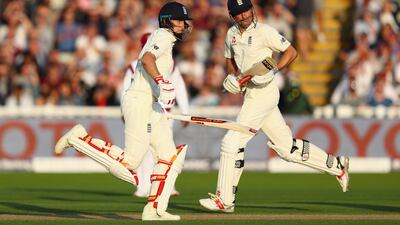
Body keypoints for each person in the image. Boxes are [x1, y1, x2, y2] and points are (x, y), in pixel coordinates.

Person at [199, 0, 350, 213]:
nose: (244, 16)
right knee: (287, 148)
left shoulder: (265, 32)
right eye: (239, 14)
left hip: (265, 93)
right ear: (232, 15)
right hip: (251, 94)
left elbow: (291, 52)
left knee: (231, 141)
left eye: (246, 11)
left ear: (252, 10)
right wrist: (232, 78)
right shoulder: (230, 34)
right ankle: (337, 166)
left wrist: (275, 69)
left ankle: (225, 199)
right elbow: (230, 60)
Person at [54, 2, 192, 221]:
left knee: (170, 157)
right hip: (139, 100)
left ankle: (155, 209)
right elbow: (147, 60)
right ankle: (79, 138)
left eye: (185, 21)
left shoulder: (168, 40)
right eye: (180, 20)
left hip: (153, 105)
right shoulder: (163, 35)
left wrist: (162, 92)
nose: (184, 25)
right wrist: (161, 82)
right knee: (130, 165)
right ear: (167, 20)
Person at [121, 33, 190, 198]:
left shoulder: (170, 64)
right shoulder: (135, 64)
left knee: (165, 151)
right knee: (142, 150)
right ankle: (144, 186)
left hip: (165, 112)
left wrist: (185, 110)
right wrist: (124, 110)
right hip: (145, 108)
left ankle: (167, 186)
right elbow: (126, 88)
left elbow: (179, 87)